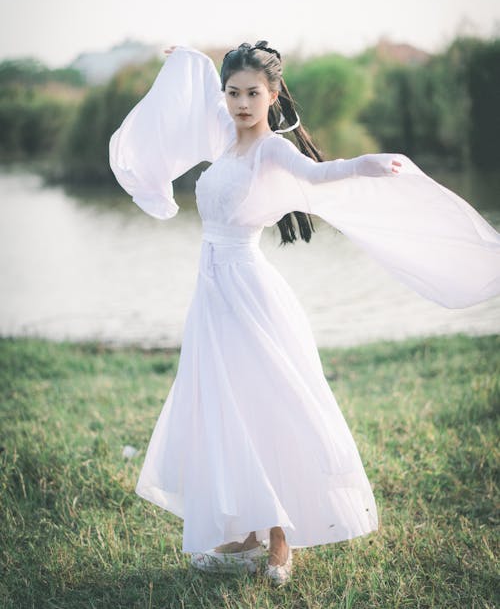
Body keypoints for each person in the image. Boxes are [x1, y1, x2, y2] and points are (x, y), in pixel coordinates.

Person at [109, 41, 500, 585]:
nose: (242, 102)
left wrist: (370, 165)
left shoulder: (270, 151)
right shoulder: (224, 136)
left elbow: (319, 176)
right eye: (233, 92)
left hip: (248, 291)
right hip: (212, 293)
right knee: (227, 404)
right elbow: (192, 99)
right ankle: (246, 527)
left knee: (268, 403)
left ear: (272, 97)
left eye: (253, 93)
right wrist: (185, 58)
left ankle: (279, 541)